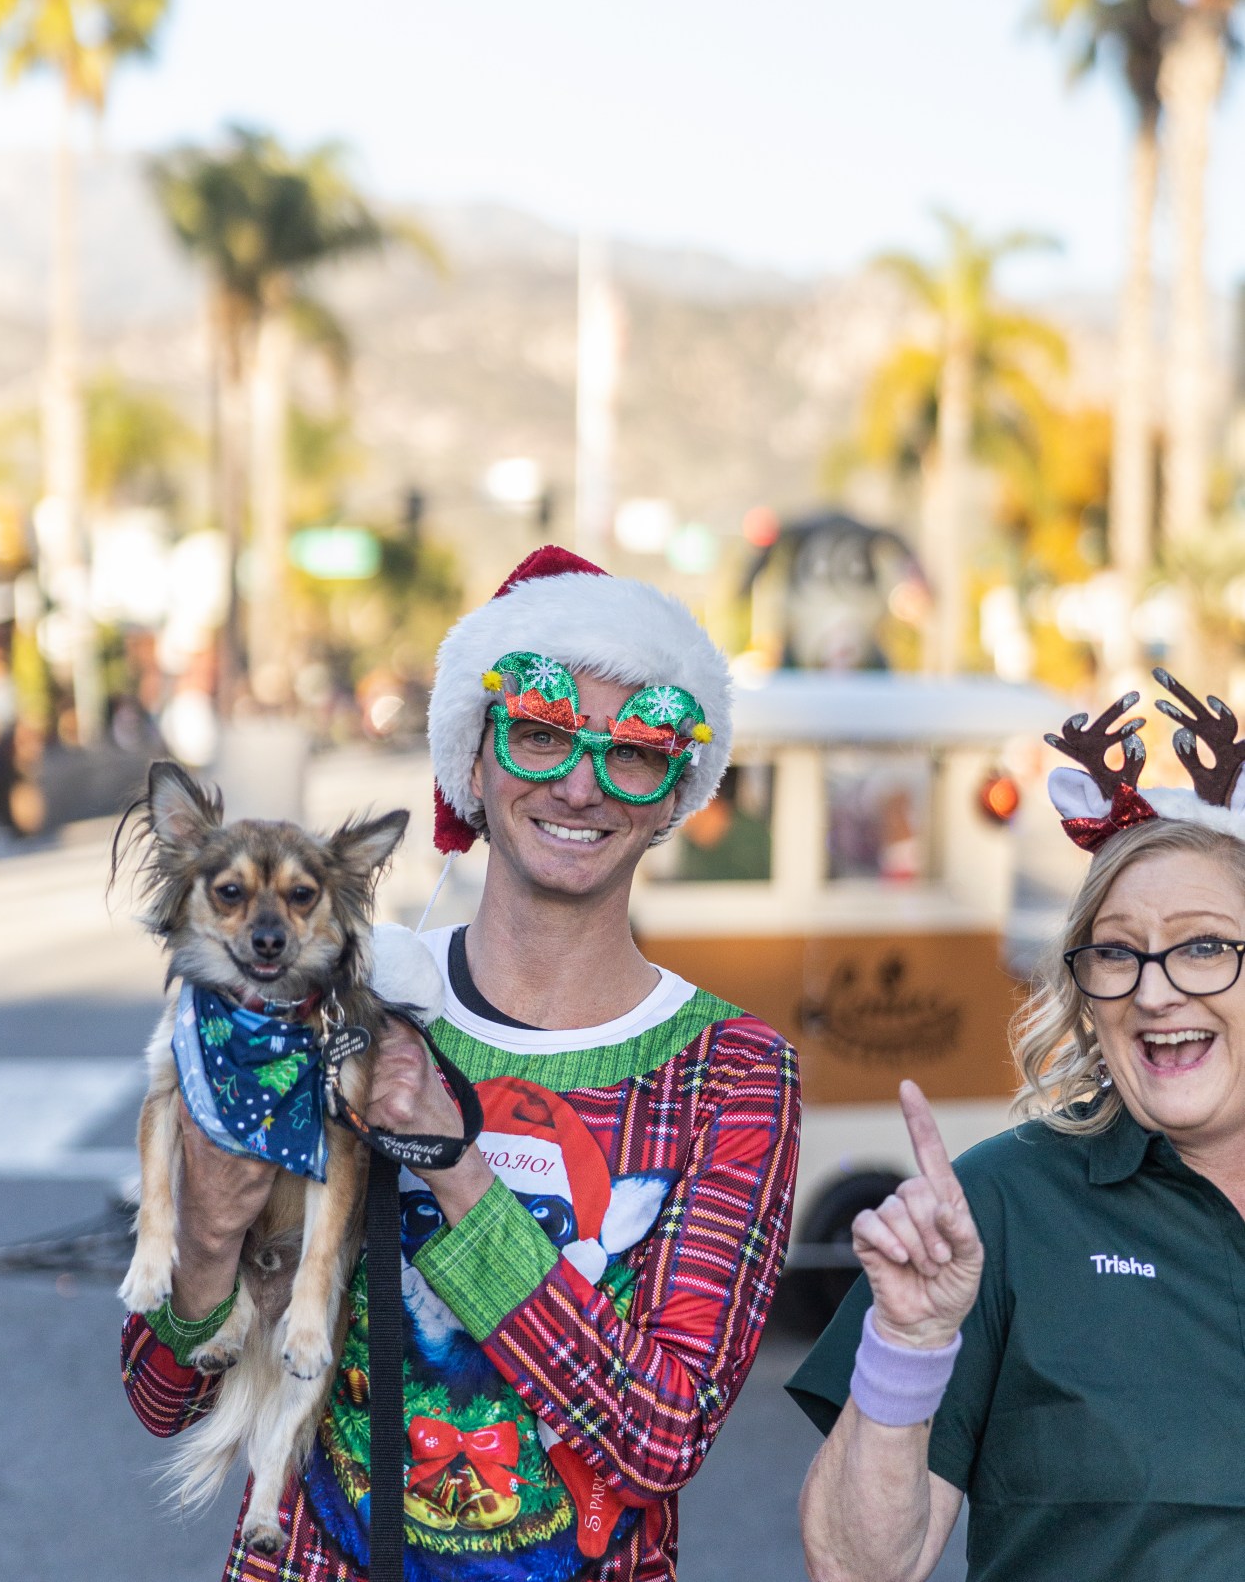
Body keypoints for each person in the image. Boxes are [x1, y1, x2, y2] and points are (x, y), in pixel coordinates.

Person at [122, 544, 801, 1580]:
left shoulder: (732, 1071)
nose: (580, 783)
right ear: (471, 765)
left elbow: (662, 1438)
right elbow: (161, 1397)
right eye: (538, 732)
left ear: (674, 794)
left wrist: (459, 1165)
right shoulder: (340, 1004)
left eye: (635, 750)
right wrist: (210, 1234)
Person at [789, 672, 1245, 1582]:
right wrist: (907, 1344)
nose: (1153, 992)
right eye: (1115, 953)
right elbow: (854, 1567)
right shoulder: (1001, 1202)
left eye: (1202, 945)